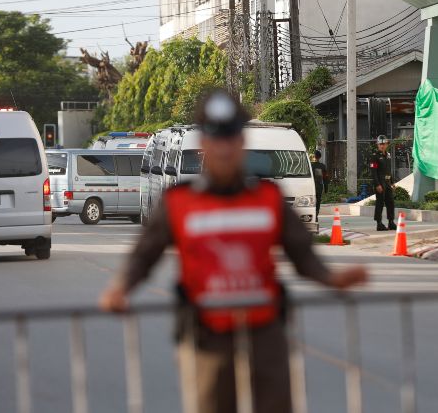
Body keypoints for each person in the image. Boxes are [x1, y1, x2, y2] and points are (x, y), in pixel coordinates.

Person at [99, 91, 368, 413]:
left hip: (265, 330)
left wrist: (331, 278)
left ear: (241, 143)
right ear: (203, 147)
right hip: (206, 335)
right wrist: (120, 289)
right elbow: (145, 254)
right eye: (216, 139)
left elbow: (303, 254)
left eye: (231, 138)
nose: (224, 148)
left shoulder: (268, 197)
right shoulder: (179, 202)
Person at [370, 135, 396, 231]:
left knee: (390, 202)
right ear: (377, 145)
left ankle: (391, 222)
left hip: (388, 182)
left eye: (384, 144)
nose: (382, 146)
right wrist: (377, 184)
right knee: (380, 203)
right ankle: (379, 223)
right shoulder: (374, 156)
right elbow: (373, 172)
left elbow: (389, 170)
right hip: (380, 182)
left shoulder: (388, 155)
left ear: (387, 144)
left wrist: (392, 182)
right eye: (380, 144)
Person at [310, 150, 329, 222]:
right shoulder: (322, 166)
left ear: (314, 156)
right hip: (319, 187)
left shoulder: (311, 165)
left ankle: (312, 215)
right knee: (318, 201)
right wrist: (326, 188)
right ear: (320, 157)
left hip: (311, 187)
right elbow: (325, 178)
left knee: (312, 201)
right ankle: (316, 215)